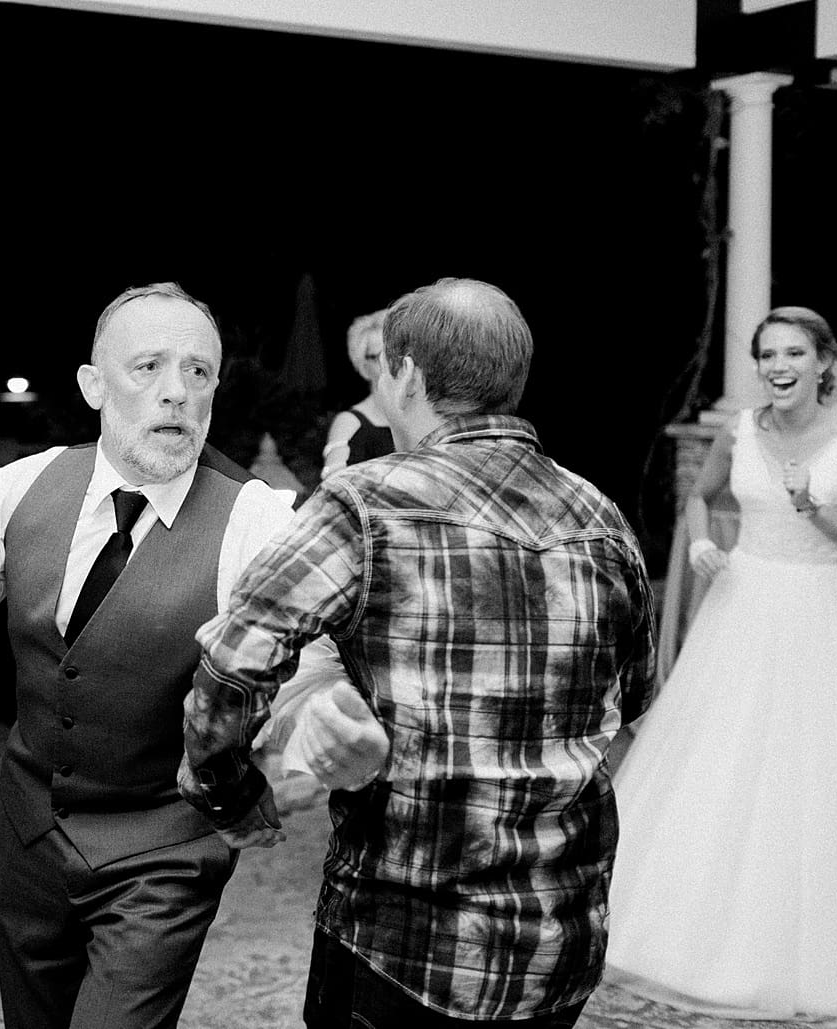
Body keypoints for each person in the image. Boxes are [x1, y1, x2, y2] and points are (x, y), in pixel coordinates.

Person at [0, 281, 382, 1029]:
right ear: (93, 384)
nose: (175, 392)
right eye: (147, 366)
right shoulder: (22, 486)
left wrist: (316, 722)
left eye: (198, 371)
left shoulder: (256, 518)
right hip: (26, 838)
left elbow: (302, 663)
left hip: (163, 854)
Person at [179, 278, 657, 1029]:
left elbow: (231, 665)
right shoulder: (599, 515)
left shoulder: (366, 503)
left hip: (404, 941)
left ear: (403, 375)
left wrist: (233, 798)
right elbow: (633, 695)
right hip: (560, 941)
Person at [603, 306, 837, 1019]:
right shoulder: (738, 430)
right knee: (717, 767)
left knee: (816, 777)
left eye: (792, 352)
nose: (777, 366)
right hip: (744, 606)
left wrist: (813, 507)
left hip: (827, 612)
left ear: (822, 361)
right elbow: (701, 496)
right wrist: (696, 544)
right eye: (765, 354)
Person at [319, 308, 395, 479]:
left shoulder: (419, 416)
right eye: (378, 357)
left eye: (392, 354)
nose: (388, 364)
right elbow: (334, 483)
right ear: (363, 368)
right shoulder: (349, 422)